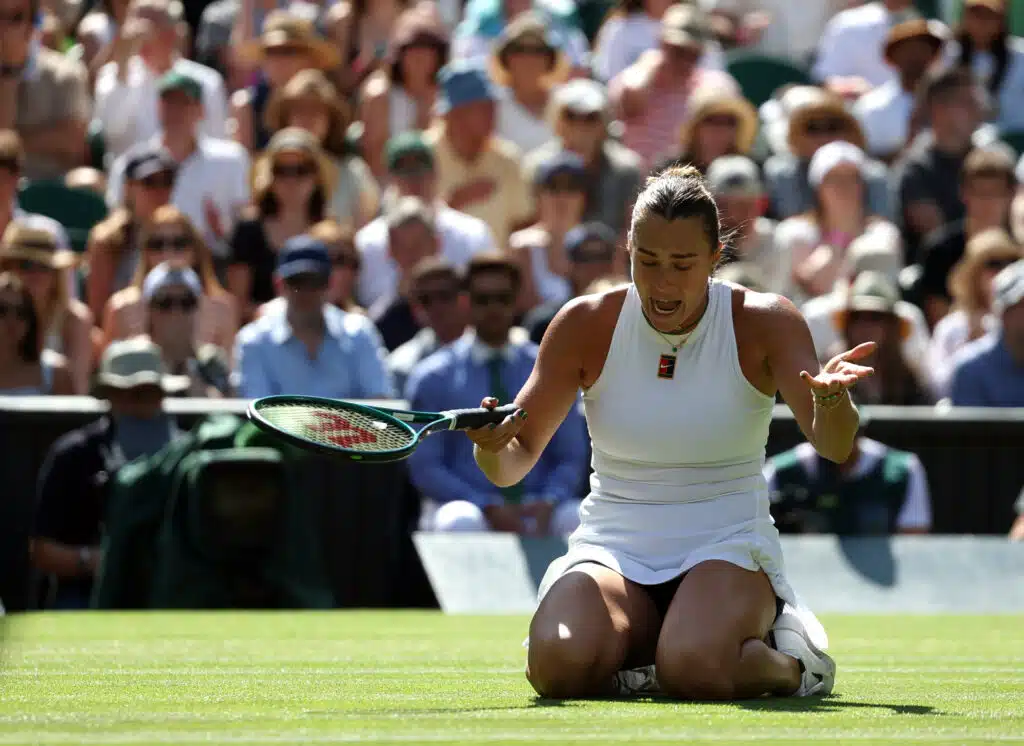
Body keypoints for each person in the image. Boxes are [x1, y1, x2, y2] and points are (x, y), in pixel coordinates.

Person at [463, 165, 875, 700]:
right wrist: (491, 450)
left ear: (714, 258)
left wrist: (832, 400)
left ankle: (795, 664)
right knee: (554, 665)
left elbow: (834, 443)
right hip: (613, 548)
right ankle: (657, 650)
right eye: (647, 261)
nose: (663, 282)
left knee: (694, 667)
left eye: (682, 264)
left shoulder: (766, 321)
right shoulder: (584, 323)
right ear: (627, 249)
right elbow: (511, 460)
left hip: (727, 545)